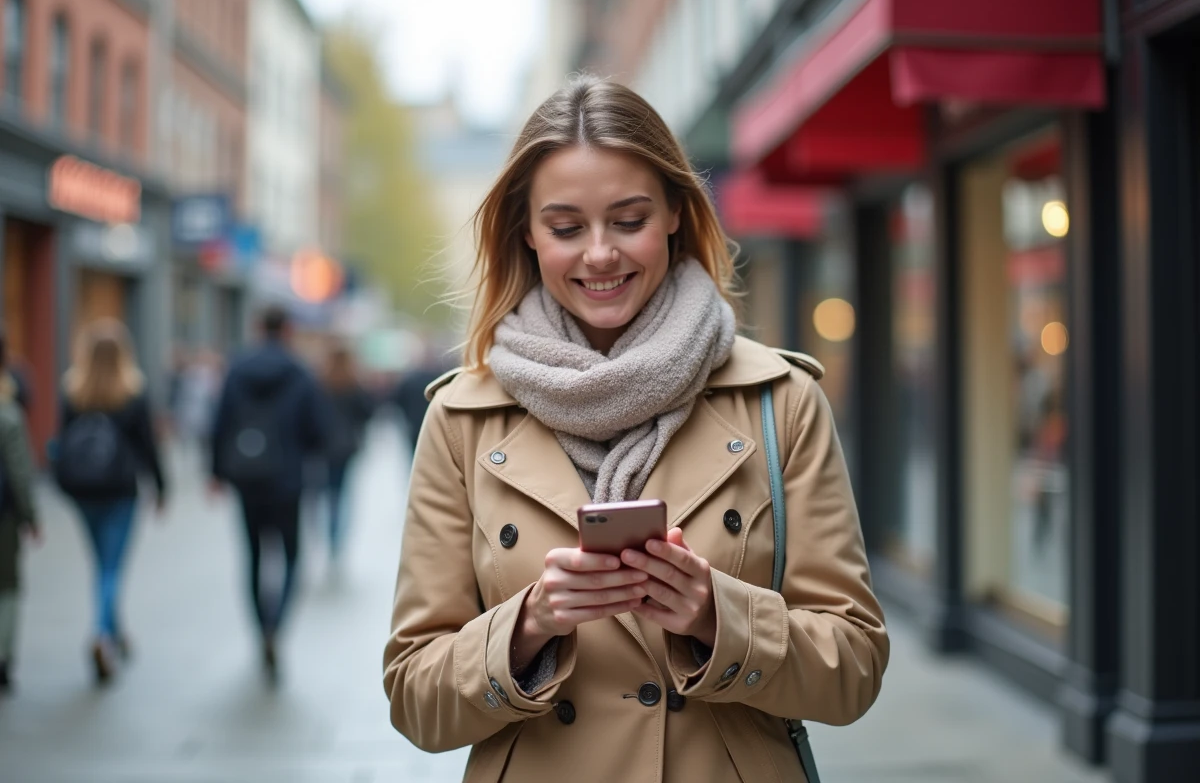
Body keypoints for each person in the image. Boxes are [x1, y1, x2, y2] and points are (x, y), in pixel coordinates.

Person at [383, 77, 888, 782]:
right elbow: (413, 695)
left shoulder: (782, 401)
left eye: (628, 220)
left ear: (677, 213)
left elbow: (855, 667)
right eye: (565, 227)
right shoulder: (462, 419)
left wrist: (717, 614)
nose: (599, 255)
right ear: (525, 231)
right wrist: (531, 623)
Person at [210, 305, 329, 684]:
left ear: (259, 328)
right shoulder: (299, 372)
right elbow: (316, 430)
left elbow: (220, 422)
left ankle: (261, 628)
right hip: (288, 480)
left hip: (247, 478)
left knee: (254, 556)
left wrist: (215, 471)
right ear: (289, 329)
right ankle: (277, 626)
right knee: (293, 557)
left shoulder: (238, 369)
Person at [54, 320, 166, 685]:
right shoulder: (132, 392)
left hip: (84, 493)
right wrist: (162, 487)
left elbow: (62, 443)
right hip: (120, 490)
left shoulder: (73, 390)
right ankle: (103, 634)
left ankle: (114, 632)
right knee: (111, 567)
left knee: (101, 564)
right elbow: (148, 446)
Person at [0, 327, 40, 694]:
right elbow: (19, 468)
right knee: (7, 585)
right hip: (4, 516)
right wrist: (31, 516)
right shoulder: (7, 410)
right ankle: (3, 655)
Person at [319, 344, 375, 562]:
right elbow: (368, 411)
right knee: (342, 493)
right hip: (346, 447)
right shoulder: (354, 383)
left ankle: (329, 532)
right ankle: (337, 537)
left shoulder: (320, 383)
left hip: (323, 447)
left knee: (326, 492)